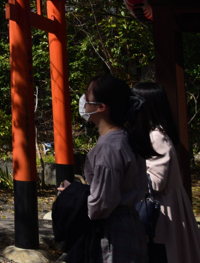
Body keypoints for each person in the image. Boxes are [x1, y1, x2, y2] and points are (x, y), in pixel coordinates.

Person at [60, 75, 156, 262]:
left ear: (101, 107)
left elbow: (101, 204)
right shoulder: (125, 137)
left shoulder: (109, 146)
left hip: (112, 230)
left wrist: (73, 195)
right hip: (128, 224)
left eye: (87, 96)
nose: (83, 101)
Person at [133, 82, 200, 263]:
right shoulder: (156, 133)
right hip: (166, 205)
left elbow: (156, 182)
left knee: (166, 254)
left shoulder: (156, 136)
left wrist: (127, 175)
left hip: (163, 209)